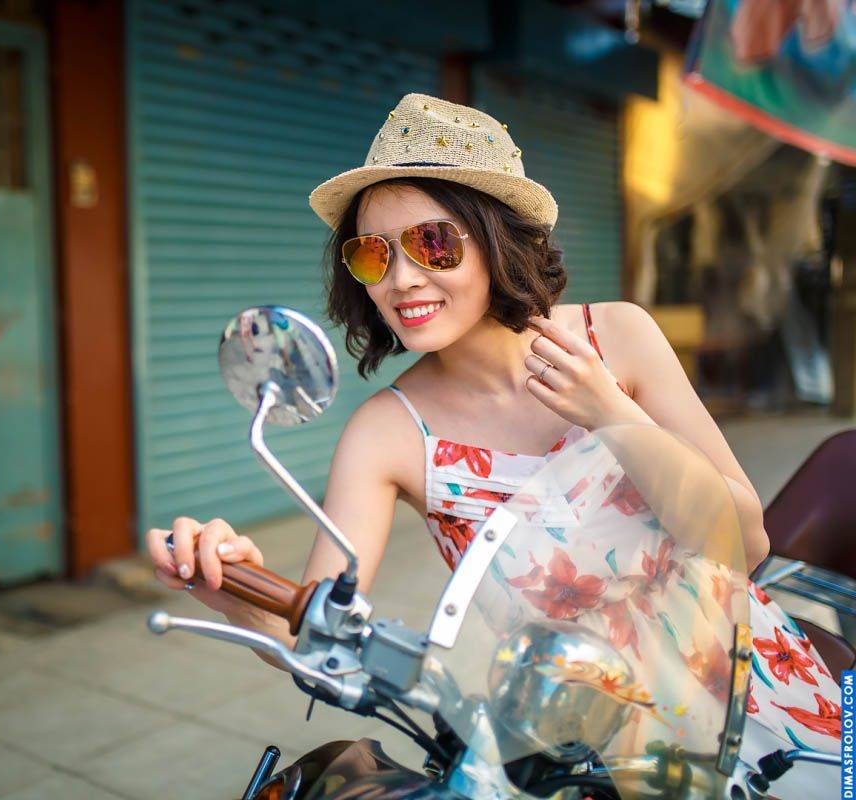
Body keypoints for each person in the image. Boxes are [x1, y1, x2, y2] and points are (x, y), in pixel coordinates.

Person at [145, 93, 840, 789]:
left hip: (748, 689)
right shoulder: (388, 432)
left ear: (499, 239)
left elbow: (745, 543)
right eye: (372, 255)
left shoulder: (617, 339)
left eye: (433, 242)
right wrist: (235, 592)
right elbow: (314, 632)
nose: (402, 278)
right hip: (576, 747)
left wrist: (611, 415)